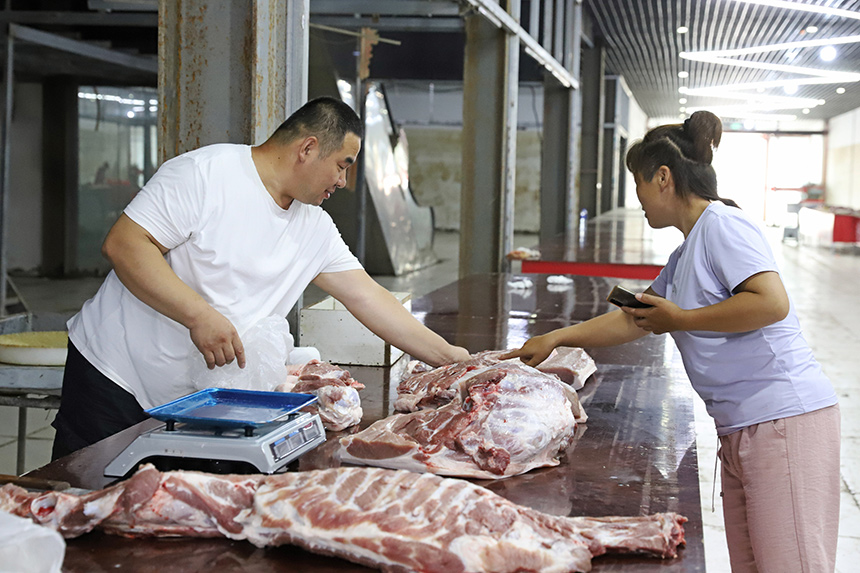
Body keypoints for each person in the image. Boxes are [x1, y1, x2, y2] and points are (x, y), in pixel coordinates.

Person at [503, 111, 840, 572]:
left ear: (663, 177)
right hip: (742, 426)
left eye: (638, 183)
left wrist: (680, 317)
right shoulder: (685, 252)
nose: (638, 197)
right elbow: (634, 320)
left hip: (783, 419)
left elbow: (771, 302)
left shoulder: (723, 225)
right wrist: (556, 338)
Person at [52, 96, 470, 459]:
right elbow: (125, 244)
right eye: (342, 167)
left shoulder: (314, 227)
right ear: (308, 148)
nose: (343, 182)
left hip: (192, 398)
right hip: (114, 376)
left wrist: (451, 360)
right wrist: (198, 314)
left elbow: (368, 297)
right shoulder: (206, 174)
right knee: (80, 500)